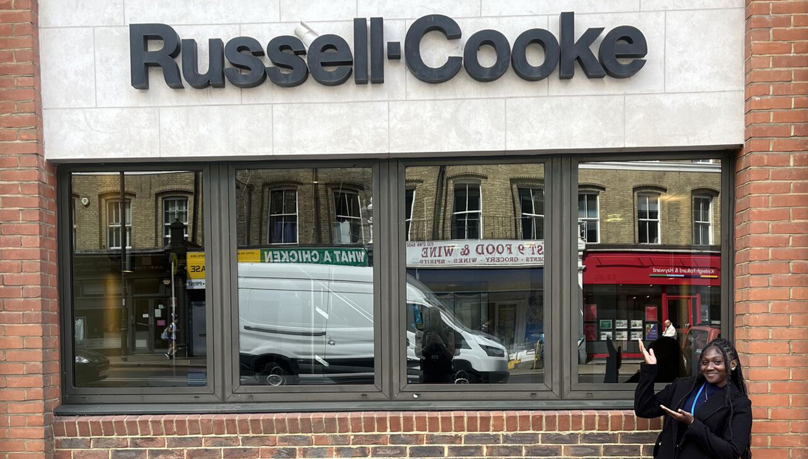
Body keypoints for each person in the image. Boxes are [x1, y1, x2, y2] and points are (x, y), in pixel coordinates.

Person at [635, 337, 752, 459]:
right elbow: (644, 409)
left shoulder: (738, 403)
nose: (709, 367)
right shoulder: (682, 387)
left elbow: (732, 452)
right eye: (705, 362)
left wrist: (692, 424)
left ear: (733, 364)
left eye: (717, 362)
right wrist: (649, 369)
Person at [417, 307, 456, 384]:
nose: (432, 323)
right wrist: (428, 345)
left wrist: (441, 343)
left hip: (444, 373)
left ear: (439, 320)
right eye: (429, 320)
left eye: (434, 319)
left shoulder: (448, 333)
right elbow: (418, 354)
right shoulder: (420, 334)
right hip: (427, 372)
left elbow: (450, 356)